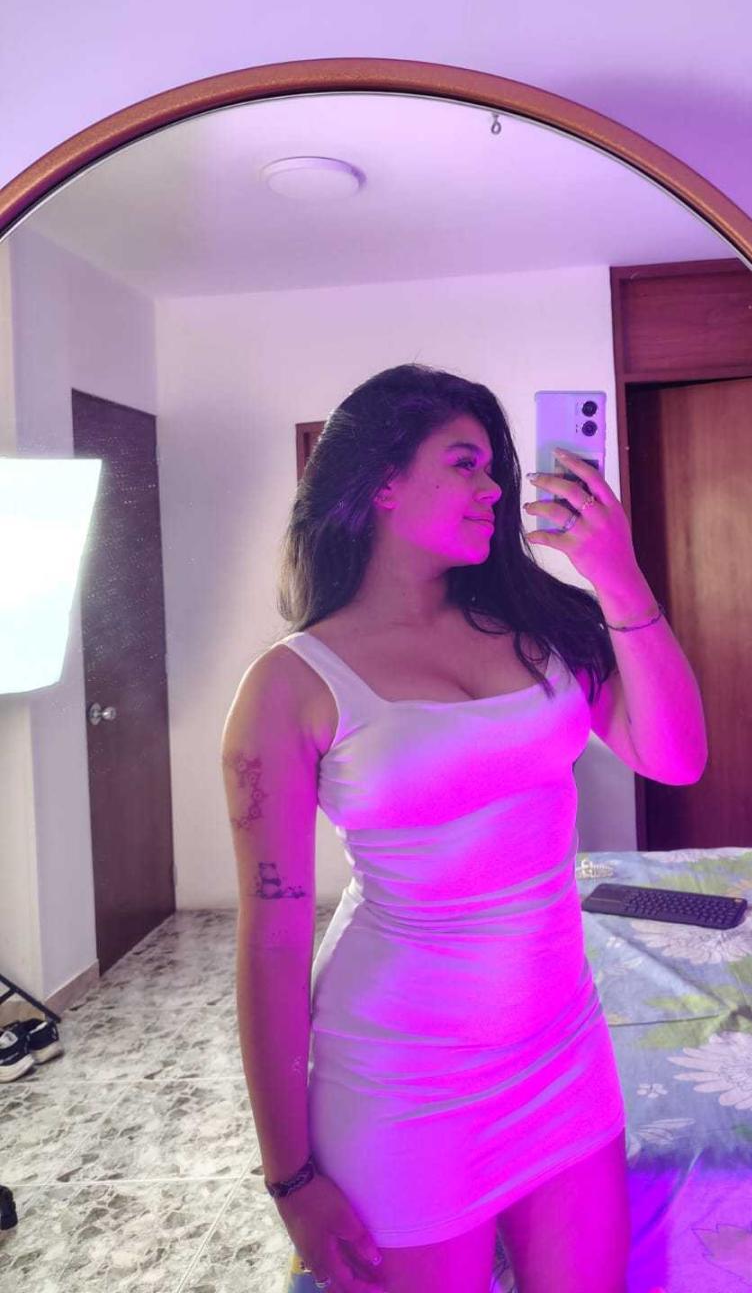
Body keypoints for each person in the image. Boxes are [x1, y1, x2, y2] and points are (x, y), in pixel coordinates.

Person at [220, 363, 707, 1293]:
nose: (493, 488)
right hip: (400, 1081)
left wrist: (616, 574)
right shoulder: (290, 686)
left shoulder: (540, 626)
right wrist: (290, 1177)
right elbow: (274, 942)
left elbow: (677, 756)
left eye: (494, 468)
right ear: (383, 481)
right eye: (465, 463)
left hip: (562, 1050)